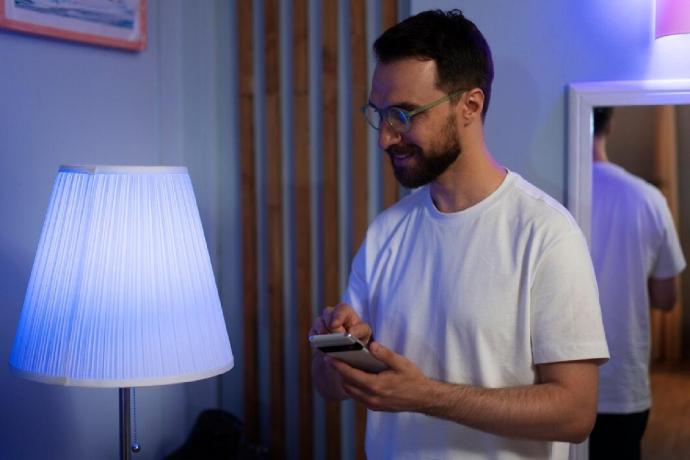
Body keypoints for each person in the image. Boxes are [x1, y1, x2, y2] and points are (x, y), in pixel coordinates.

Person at [310, 10, 609, 459]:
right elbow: (327, 387)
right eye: (379, 114)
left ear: (470, 106)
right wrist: (337, 354)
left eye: (403, 115)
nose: (385, 138)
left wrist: (428, 396)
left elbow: (575, 414)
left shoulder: (546, 235)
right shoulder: (386, 232)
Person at [588, 107, 686, 460]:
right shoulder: (648, 198)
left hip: (556, 379)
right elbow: (666, 297)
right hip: (622, 382)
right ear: (610, 125)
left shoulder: (549, 194)